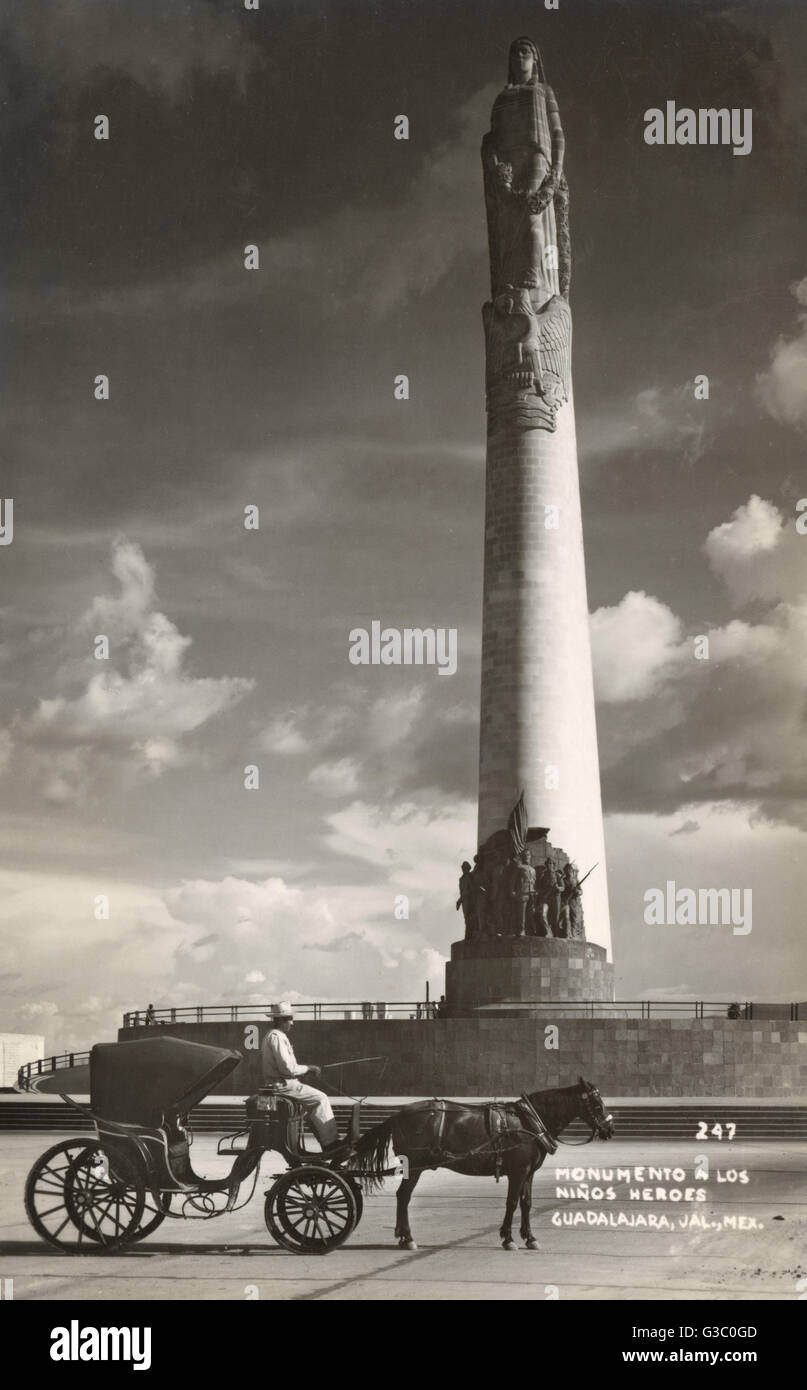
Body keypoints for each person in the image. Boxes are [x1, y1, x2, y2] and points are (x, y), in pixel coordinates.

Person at [261, 1002, 345, 1154]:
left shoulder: (276, 1036)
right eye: (289, 1019)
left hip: (284, 1082)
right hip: (282, 1085)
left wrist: (305, 1071)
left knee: (312, 1108)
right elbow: (287, 1068)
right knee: (321, 1098)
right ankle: (330, 1144)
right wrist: (309, 1069)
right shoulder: (277, 1037)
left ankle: (326, 1142)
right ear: (280, 1020)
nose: (292, 1023)